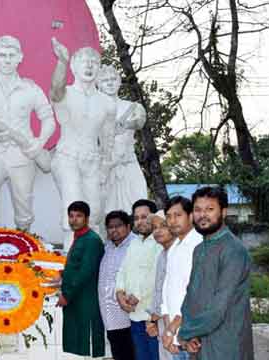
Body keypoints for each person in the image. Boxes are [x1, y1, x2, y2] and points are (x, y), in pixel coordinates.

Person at [0, 35, 56, 230]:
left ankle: (26, 254)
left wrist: (39, 143)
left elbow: (48, 118)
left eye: (11, 55)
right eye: (2, 55)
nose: (7, 59)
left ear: (20, 57)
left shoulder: (30, 89)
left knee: (24, 208)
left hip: (22, 154)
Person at [49, 38, 116, 247]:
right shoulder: (66, 93)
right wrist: (61, 61)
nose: (89, 66)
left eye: (94, 62)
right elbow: (56, 89)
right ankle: (71, 260)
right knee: (74, 209)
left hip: (92, 161)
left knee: (94, 212)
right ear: (74, 66)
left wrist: (105, 166)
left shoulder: (107, 102)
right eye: (84, 61)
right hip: (67, 157)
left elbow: (107, 139)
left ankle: (92, 261)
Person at [177, 187, 253, 359]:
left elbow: (219, 308)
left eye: (210, 209)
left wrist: (186, 332)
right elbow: (191, 296)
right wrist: (190, 333)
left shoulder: (233, 250)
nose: (202, 215)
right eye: (198, 209)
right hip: (199, 342)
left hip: (226, 343)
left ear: (223, 212)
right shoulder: (199, 249)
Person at [96, 65, 148, 214]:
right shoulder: (94, 110)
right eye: (105, 80)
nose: (110, 83)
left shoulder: (132, 107)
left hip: (128, 163)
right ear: (99, 84)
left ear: (119, 82)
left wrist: (124, 124)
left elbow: (139, 121)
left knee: (138, 204)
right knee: (108, 212)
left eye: (113, 79)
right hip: (106, 167)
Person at [58, 201, 105, 358]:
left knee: (89, 343)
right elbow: (76, 266)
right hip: (77, 298)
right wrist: (61, 274)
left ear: (86, 218)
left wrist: (66, 295)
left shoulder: (91, 240)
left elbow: (85, 272)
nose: (74, 220)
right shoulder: (79, 237)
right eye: (71, 216)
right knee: (78, 344)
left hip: (86, 299)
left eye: (78, 216)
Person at [115, 200, 162, 360]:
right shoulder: (134, 242)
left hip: (152, 317)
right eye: (136, 218)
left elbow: (156, 274)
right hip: (134, 315)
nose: (140, 221)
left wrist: (137, 296)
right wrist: (120, 293)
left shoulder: (160, 241)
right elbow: (123, 269)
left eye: (144, 217)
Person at [160, 196, 203, 359]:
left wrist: (172, 329)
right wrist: (168, 331)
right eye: (169, 216)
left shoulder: (198, 246)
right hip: (174, 337)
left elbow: (194, 295)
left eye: (178, 215)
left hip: (192, 334)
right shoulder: (173, 248)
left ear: (191, 216)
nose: (172, 221)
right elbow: (166, 291)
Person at [98, 210, 137, 360]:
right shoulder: (108, 247)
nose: (114, 230)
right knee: (118, 353)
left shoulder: (135, 245)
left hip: (127, 314)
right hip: (109, 314)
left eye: (118, 226)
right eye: (110, 227)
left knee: (130, 353)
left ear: (128, 226)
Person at [145, 212, 175, 360]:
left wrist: (153, 318)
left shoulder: (179, 253)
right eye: (154, 227)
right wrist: (152, 319)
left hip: (176, 323)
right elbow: (158, 290)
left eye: (162, 226)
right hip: (162, 321)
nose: (157, 231)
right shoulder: (162, 254)